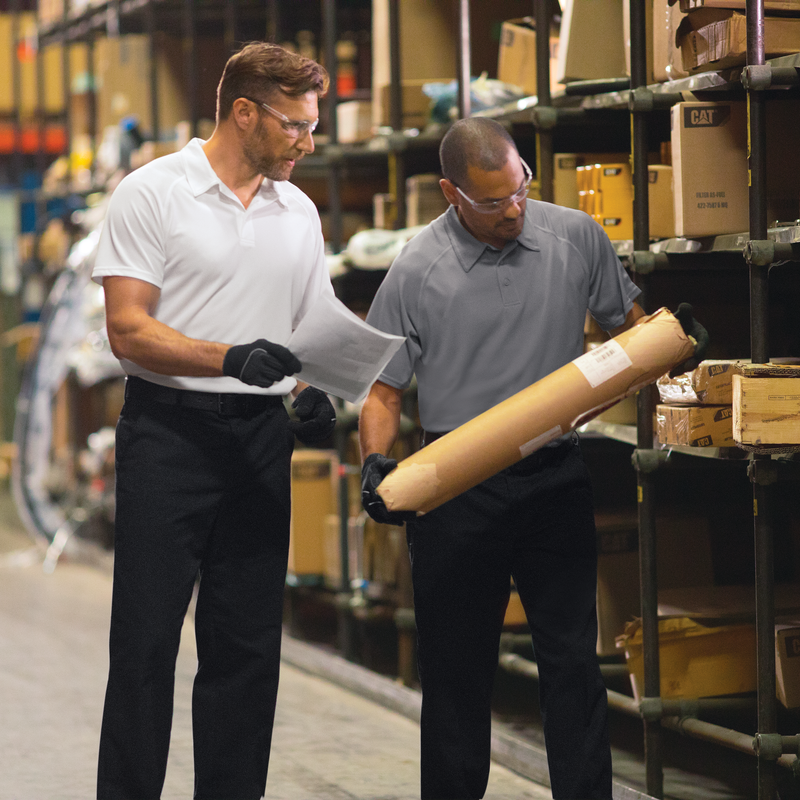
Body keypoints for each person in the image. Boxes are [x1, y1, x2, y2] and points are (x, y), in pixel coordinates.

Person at [359, 117, 707, 800]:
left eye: (519, 190)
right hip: (456, 485)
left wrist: (667, 339)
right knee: (457, 673)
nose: (512, 210)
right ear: (450, 193)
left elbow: (626, 328)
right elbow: (382, 389)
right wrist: (376, 465)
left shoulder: (575, 236)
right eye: (491, 202)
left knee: (573, 663)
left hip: (553, 478)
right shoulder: (415, 269)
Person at [93, 42, 337, 800]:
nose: (308, 139)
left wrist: (312, 387)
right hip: (169, 437)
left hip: (260, 443)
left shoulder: (297, 210)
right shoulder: (153, 193)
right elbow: (128, 329)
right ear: (244, 113)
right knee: (145, 646)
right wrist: (228, 358)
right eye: (296, 124)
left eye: (312, 124)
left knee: (246, 647)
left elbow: (304, 330)